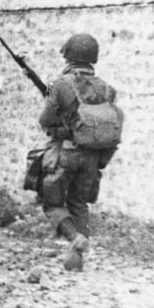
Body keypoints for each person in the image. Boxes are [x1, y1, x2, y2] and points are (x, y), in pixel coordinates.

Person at [38, 33, 122, 271]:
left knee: (51, 202)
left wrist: (58, 125)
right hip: (93, 157)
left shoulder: (62, 85)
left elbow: (45, 120)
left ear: (70, 57)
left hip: (67, 154)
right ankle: (77, 257)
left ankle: (74, 237)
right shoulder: (107, 89)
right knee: (79, 203)